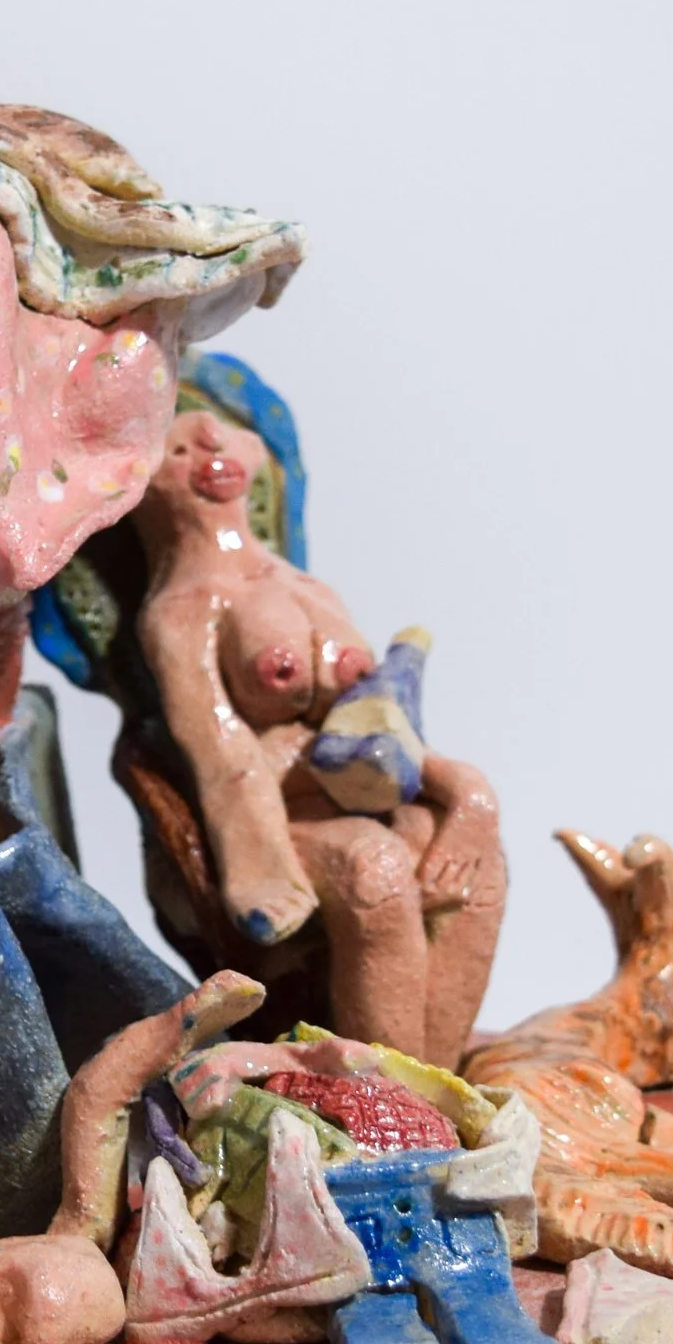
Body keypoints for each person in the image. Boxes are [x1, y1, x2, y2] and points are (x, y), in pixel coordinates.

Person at [133, 409, 504, 1066]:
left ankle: (440, 1086)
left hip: (366, 793)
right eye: (178, 449)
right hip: (281, 821)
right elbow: (221, 752)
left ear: (256, 451)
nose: (207, 446)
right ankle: (388, 1096)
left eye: (216, 432)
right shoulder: (182, 610)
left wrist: (468, 797)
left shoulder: (309, 588)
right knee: (375, 867)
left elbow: (380, 720)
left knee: (474, 863)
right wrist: (260, 870)